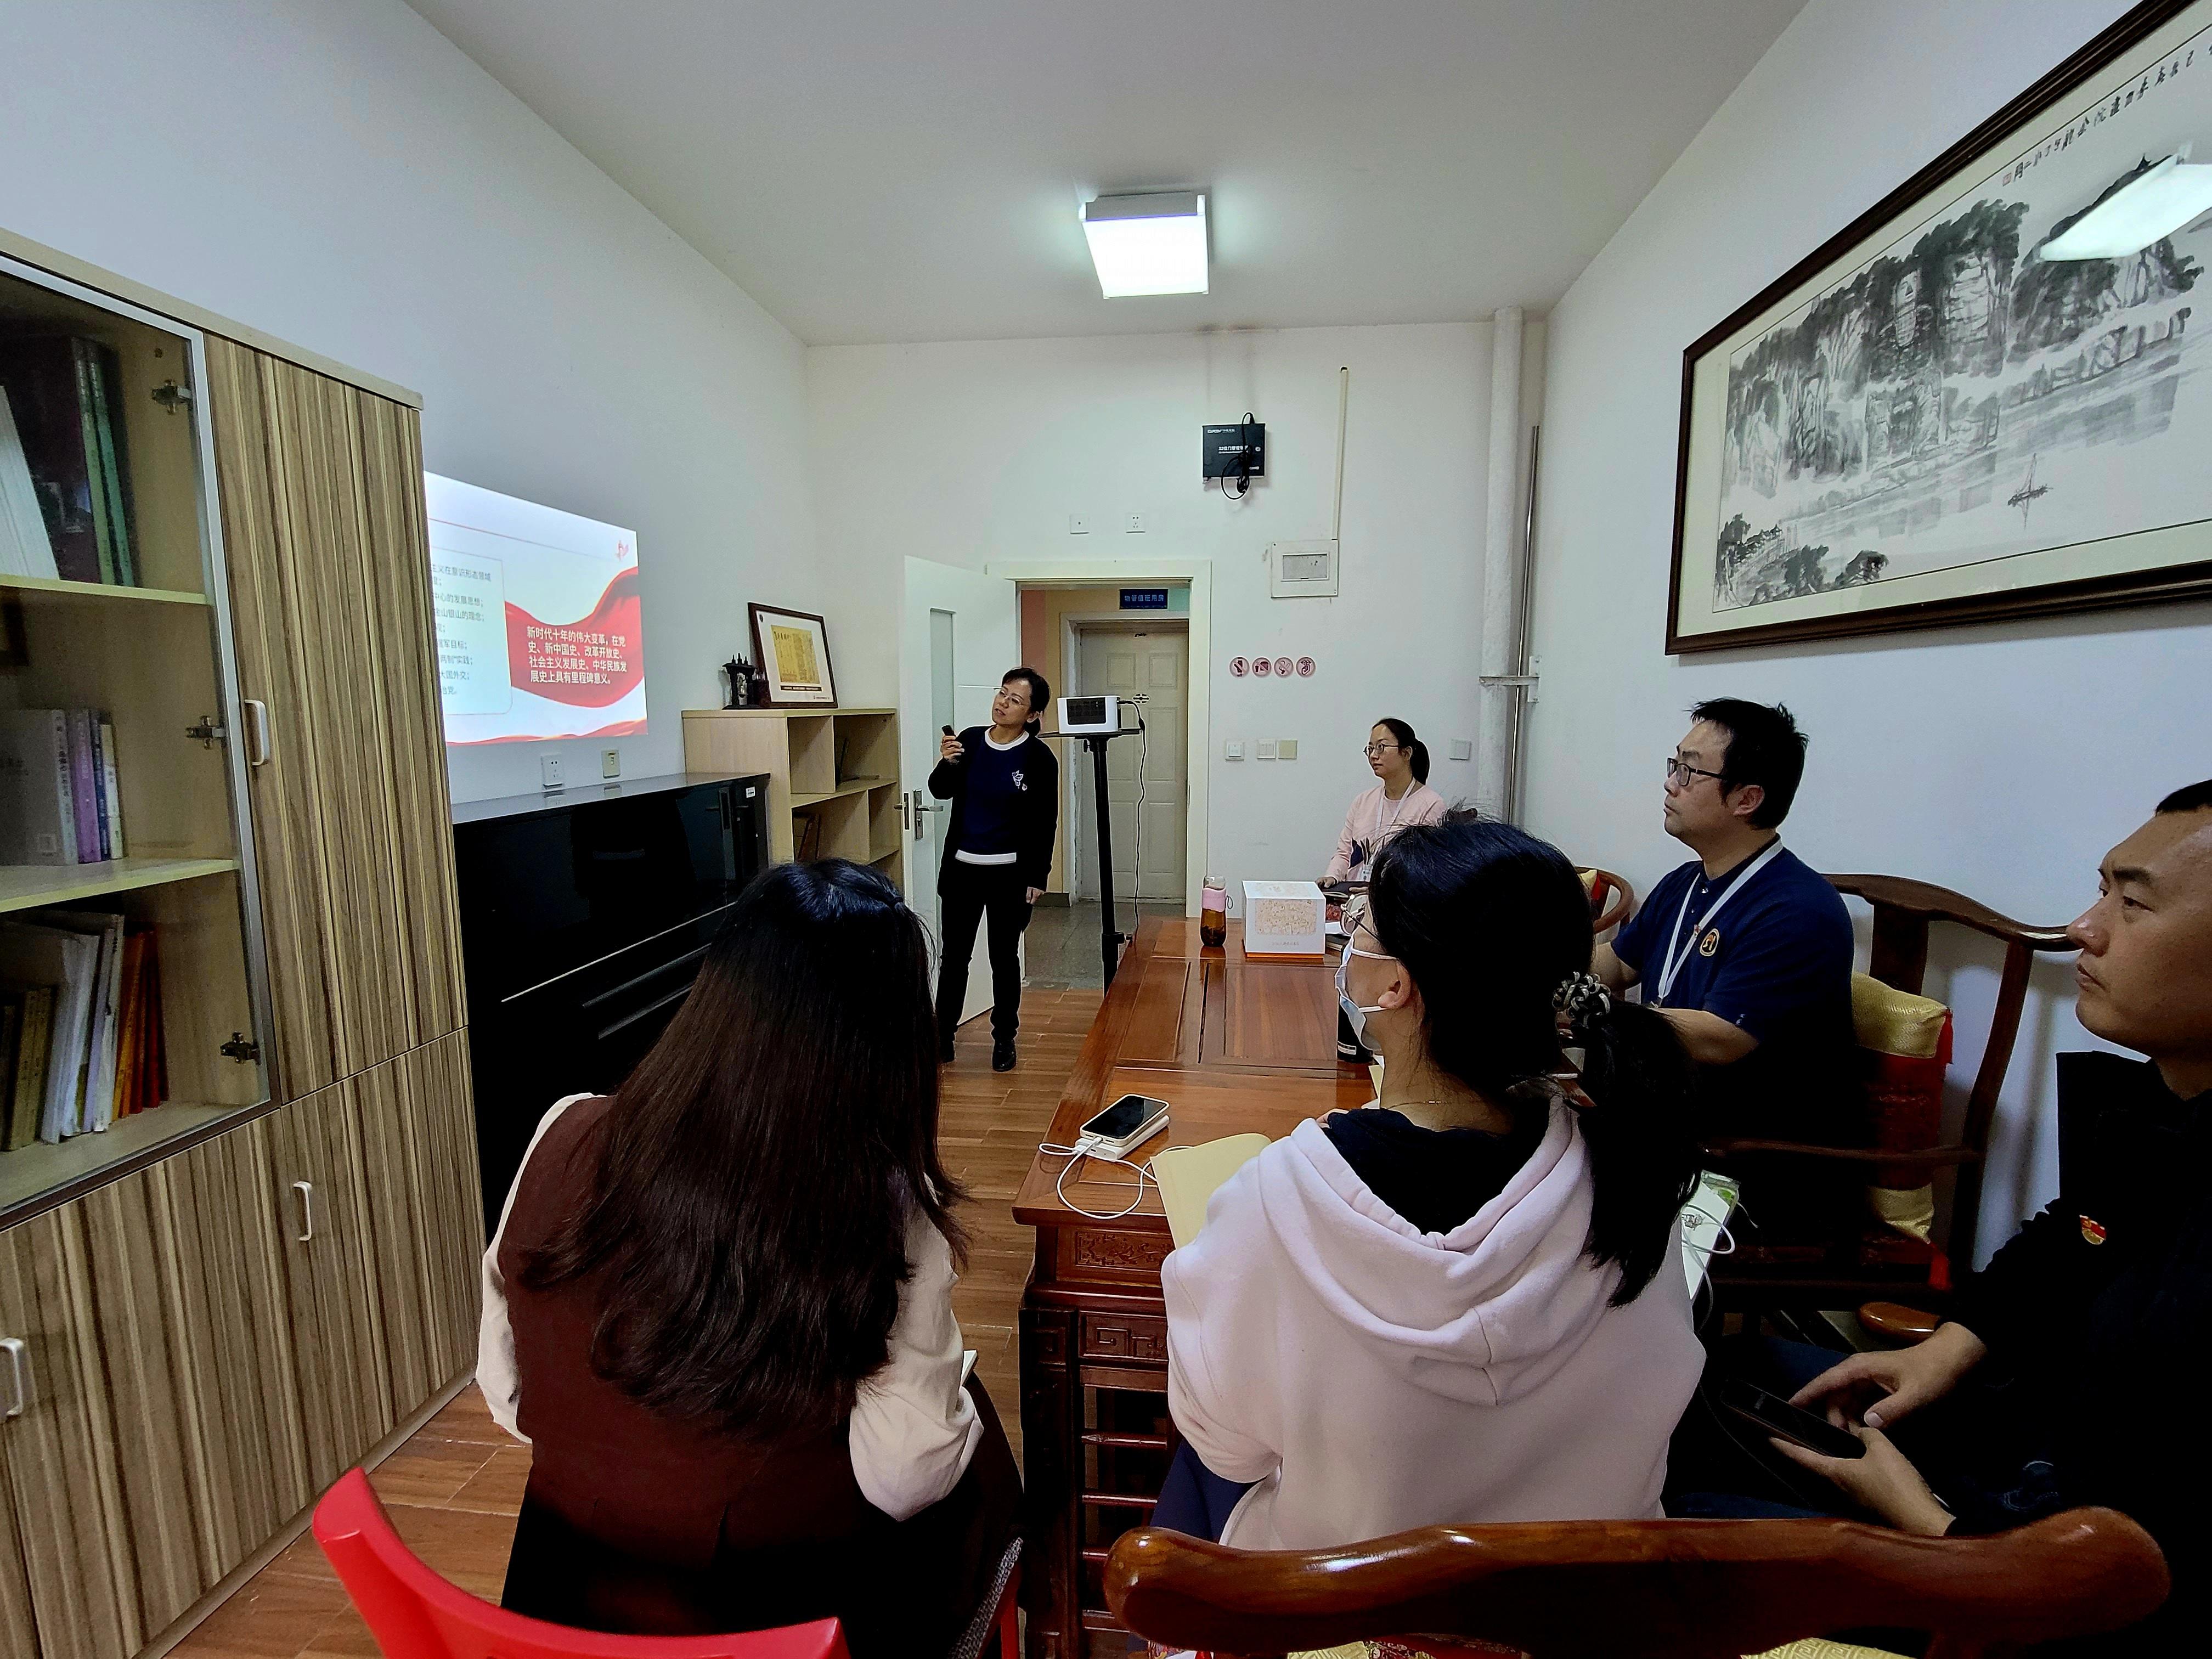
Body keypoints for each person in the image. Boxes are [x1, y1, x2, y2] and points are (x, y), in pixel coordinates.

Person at [1670, 780, 2212, 1656]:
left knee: (1667, 1523)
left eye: (2133, 902)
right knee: (1713, 1379)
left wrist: (1920, 1520)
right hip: (2029, 1449)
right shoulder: (2162, 1102)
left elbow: (2133, 1581)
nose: (2085, 927)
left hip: (2031, 1573)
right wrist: (1944, 1351)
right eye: (2102, 889)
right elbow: (2064, 1238)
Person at [477, 860, 1019, 1654]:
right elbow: (906, 1479)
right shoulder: (883, 1208)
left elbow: (506, 1390)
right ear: (884, 1054)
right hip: (769, 1624)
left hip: (561, 1598)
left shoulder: (563, 1129)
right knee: (980, 1457)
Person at [1154, 814, 1705, 1549]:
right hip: (1578, 1588)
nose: (1351, 939)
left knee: (1197, 1470)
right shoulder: (1631, 1166)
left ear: (1395, 985)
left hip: (1350, 1592)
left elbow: (1227, 1447)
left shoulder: (1280, 1197)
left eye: (1362, 926)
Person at [1596, 698, 1855, 1150]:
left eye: (1689, 771)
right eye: (1675, 765)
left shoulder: (1798, 910)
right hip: (1668, 1112)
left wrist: (1594, 1012)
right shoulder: (1684, 882)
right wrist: (1532, 967)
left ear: (1747, 799)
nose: (1670, 783)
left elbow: (1721, 1038)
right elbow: (1617, 965)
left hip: (1748, 1151)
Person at [932, 667, 1059, 1071]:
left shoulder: (1039, 758)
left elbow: (1045, 821)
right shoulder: (970, 741)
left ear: (1033, 715)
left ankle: (1004, 1039)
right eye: (1002, 693)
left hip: (1010, 876)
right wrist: (947, 763)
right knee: (955, 958)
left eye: (1015, 700)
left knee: (1004, 960)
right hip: (962, 871)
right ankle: (942, 1036)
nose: (1003, 703)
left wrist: (1038, 876)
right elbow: (940, 790)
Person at [1323, 718, 1450, 885]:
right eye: (1370, 749)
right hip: (1352, 894)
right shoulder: (1363, 801)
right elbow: (1344, 853)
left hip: (1396, 898)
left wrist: (1380, 892)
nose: (1373, 756)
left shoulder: (1431, 805)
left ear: (1406, 753)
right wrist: (1332, 877)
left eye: (1381, 747)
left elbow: (1426, 870)